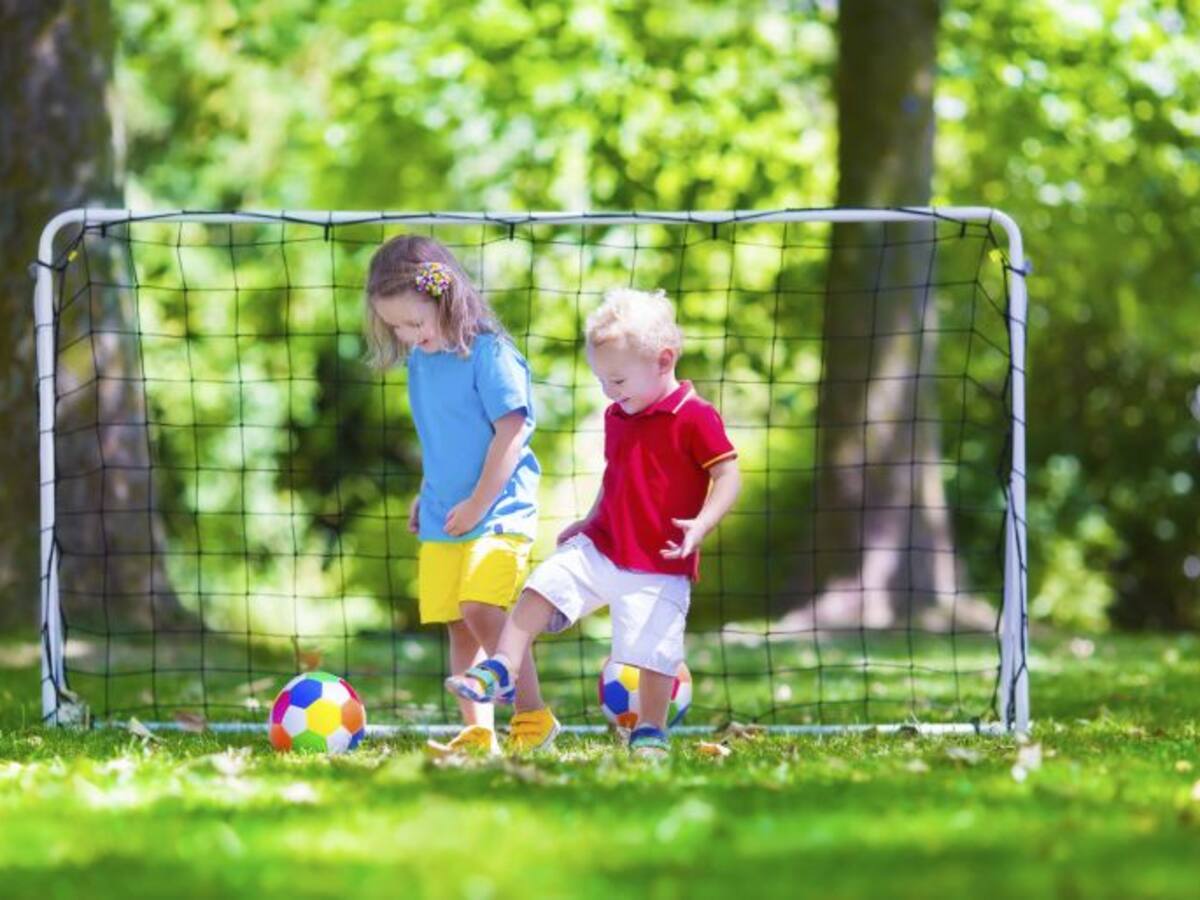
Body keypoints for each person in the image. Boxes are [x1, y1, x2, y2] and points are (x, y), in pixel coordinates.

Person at [446, 287, 741, 758]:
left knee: (655, 650)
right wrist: (589, 518)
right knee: (541, 585)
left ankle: (650, 729)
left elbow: (728, 474)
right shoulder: (618, 414)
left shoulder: (695, 417)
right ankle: (502, 665)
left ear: (663, 361)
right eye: (603, 380)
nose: (610, 392)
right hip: (604, 546)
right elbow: (616, 474)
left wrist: (702, 524)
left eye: (618, 380)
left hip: (660, 562)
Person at [364, 235, 558, 754]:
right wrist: (427, 494)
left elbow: (511, 434)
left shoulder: (489, 354)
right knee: (458, 623)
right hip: (444, 512)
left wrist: (476, 503)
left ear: (442, 297)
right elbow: (445, 438)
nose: (406, 336)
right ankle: (477, 732)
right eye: (396, 328)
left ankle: (534, 717)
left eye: (413, 322)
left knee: (482, 606)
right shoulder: (423, 363)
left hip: (499, 510)